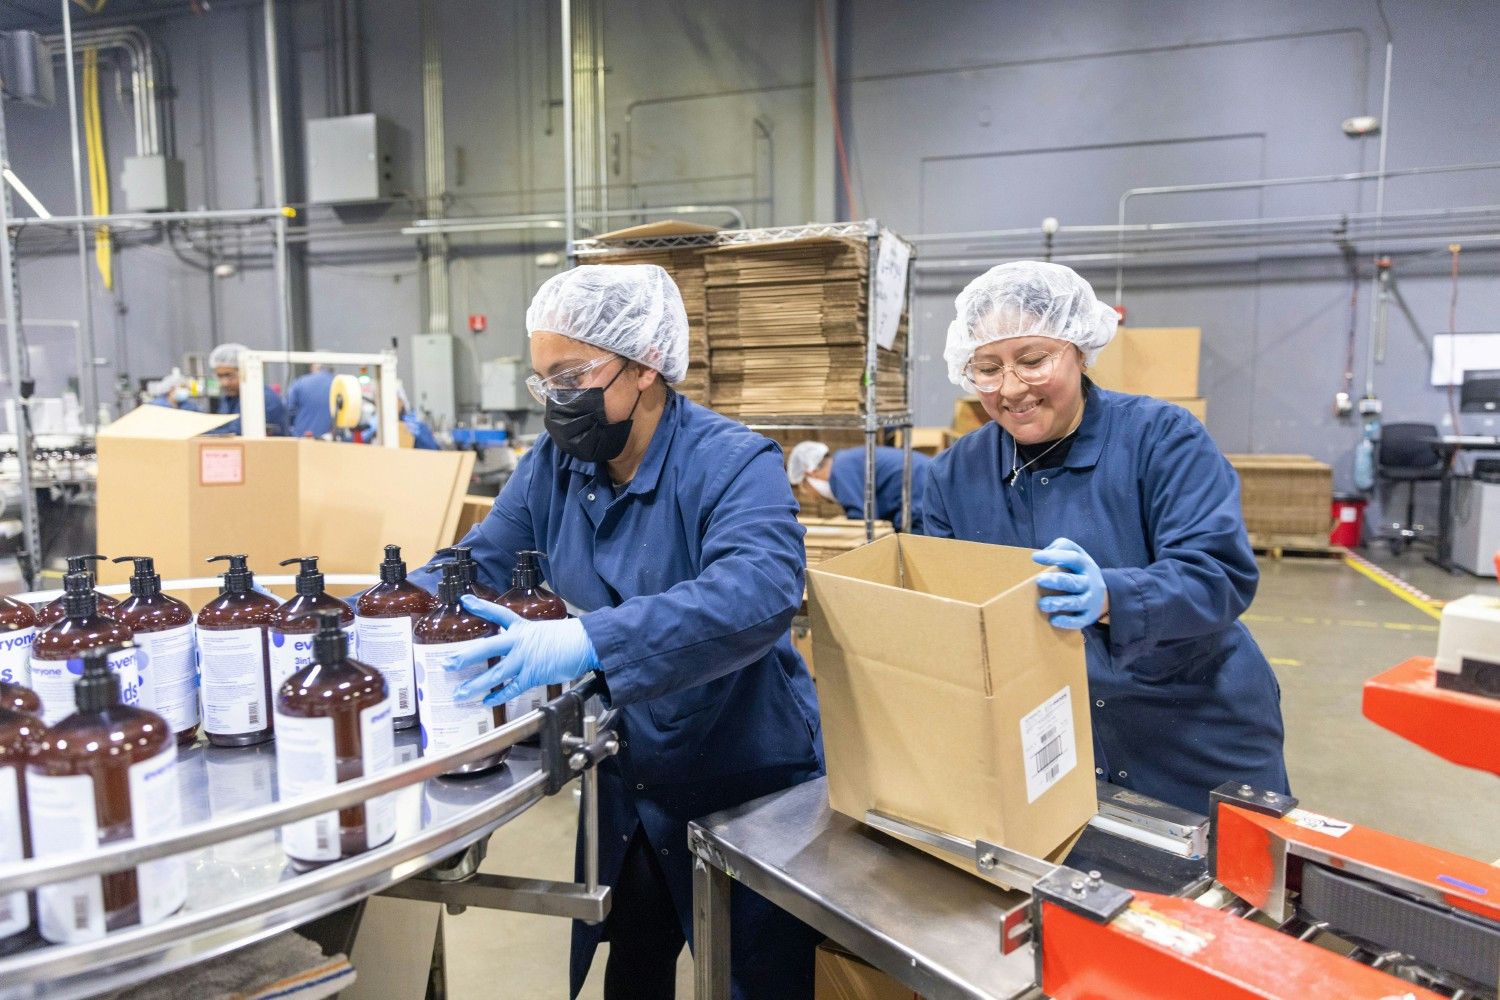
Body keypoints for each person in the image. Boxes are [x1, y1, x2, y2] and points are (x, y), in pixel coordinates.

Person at [410, 264, 824, 998]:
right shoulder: (557, 465)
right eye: (545, 383)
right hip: (629, 774)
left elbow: (758, 592)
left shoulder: (734, 463)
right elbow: (477, 565)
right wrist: (365, 616)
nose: (557, 403)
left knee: (754, 979)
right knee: (631, 968)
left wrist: (592, 641)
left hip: (743, 773)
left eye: (571, 375)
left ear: (644, 366)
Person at [921, 261, 1287, 815]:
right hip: (1053, 740)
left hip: (1193, 733)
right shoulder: (954, 476)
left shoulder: (1161, 438)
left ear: (1081, 350)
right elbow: (947, 607)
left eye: (1033, 360)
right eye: (987, 369)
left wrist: (1114, 596)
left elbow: (1219, 574)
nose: (1011, 388)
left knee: (1222, 891)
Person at [785, 440, 929, 532]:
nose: (814, 497)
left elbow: (863, 524)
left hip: (920, 496)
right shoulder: (844, 462)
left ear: (810, 474)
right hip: (921, 489)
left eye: (806, 489)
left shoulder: (840, 472)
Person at [206, 342, 289, 435]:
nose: (224, 383)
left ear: (246, 371)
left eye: (229, 375)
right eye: (219, 376)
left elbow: (236, 433)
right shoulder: (230, 398)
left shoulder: (262, 398)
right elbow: (221, 427)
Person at [286, 364, 335, 438]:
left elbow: (289, 409)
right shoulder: (335, 383)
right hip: (329, 438)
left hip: (302, 436)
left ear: (314, 368)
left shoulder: (300, 382)